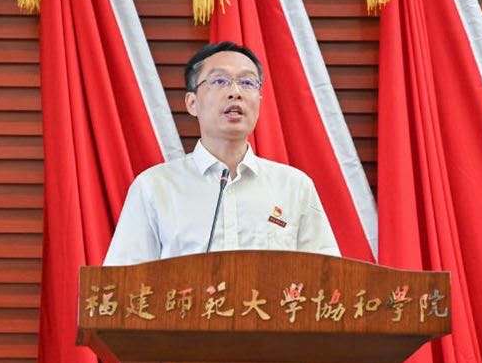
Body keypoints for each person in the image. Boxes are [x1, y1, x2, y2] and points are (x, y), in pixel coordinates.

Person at [104, 41, 340, 265]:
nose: (235, 92)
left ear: (259, 101)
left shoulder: (294, 186)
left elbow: (326, 279)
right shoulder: (154, 187)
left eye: (247, 83)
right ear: (192, 103)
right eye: (219, 81)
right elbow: (123, 282)